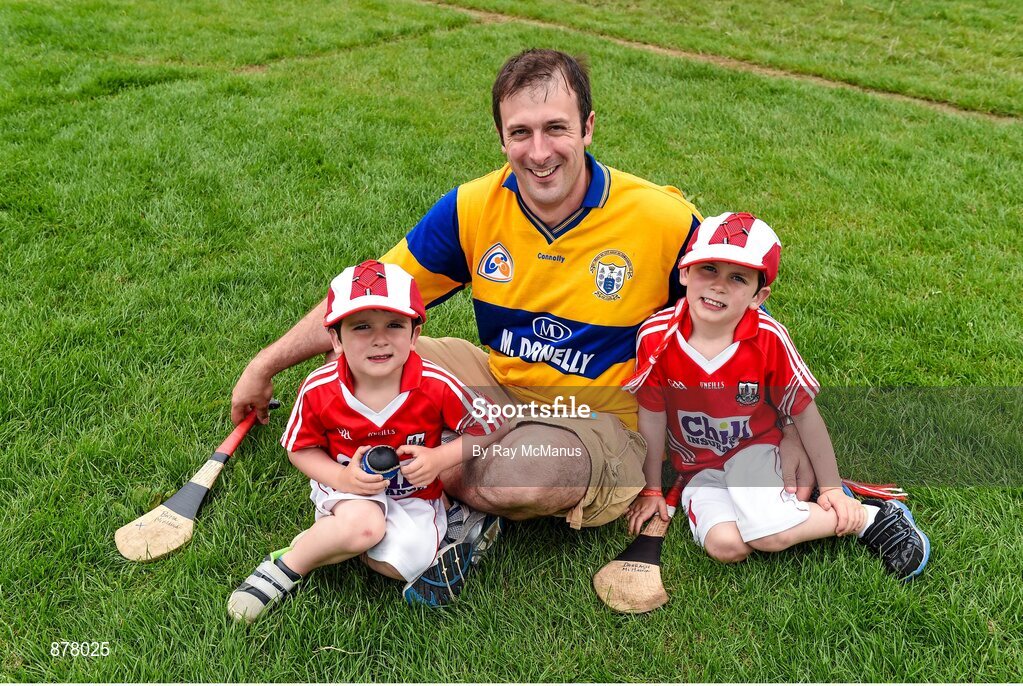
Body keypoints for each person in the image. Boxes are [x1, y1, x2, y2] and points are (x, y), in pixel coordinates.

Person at [230, 49, 814, 601]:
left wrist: (785, 430)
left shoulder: (660, 219)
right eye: (520, 132)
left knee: (516, 480)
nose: (539, 152)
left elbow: (741, 315)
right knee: (363, 363)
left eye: (556, 128)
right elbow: (366, 297)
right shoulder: (472, 206)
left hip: (601, 417)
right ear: (502, 137)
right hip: (497, 383)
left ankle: (433, 501)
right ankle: (426, 492)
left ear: (587, 127)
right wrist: (265, 364)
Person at [623, 212, 929, 580]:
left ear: (759, 295)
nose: (718, 285)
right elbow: (652, 416)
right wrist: (651, 488)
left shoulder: (768, 338)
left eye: (738, 277)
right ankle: (783, 510)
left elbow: (805, 415)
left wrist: (831, 486)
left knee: (768, 535)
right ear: (685, 272)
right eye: (708, 268)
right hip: (698, 469)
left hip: (755, 449)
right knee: (726, 546)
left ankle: (869, 516)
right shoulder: (656, 336)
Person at [227, 260, 504, 621]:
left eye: (394, 325)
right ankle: (285, 566)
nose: (379, 339)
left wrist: (439, 459)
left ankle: (449, 523)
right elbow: (301, 449)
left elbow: (492, 425)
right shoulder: (321, 388)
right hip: (346, 487)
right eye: (361, 327)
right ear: (335, 339)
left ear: (414, 334)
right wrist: (343, 479)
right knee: (364, 526)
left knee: (405, 563)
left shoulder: (435, 383)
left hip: (414, 495)